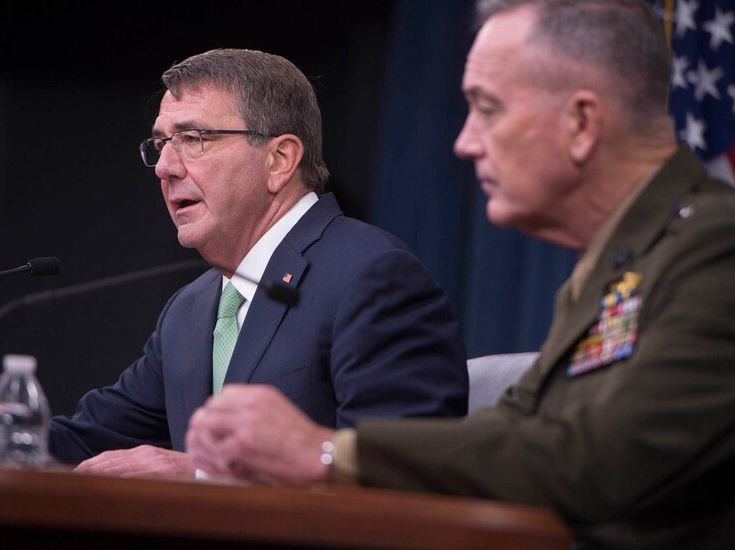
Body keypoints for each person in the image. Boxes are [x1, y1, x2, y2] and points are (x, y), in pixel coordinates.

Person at [185, 2, 735, 548]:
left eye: (488, 108)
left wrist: (325, 454)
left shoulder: (716, 249)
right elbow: (516, 434)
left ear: (582, 122)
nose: (465, 141)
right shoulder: (616, 264)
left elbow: (602, 459)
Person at [48, 48, 469, 476]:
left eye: (193, 139)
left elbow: (404, 476)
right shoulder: (189, 310)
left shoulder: (372, 276)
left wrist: (203, 479)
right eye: (161, 144)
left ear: (279, 160)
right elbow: (85, 439)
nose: (165, 168)